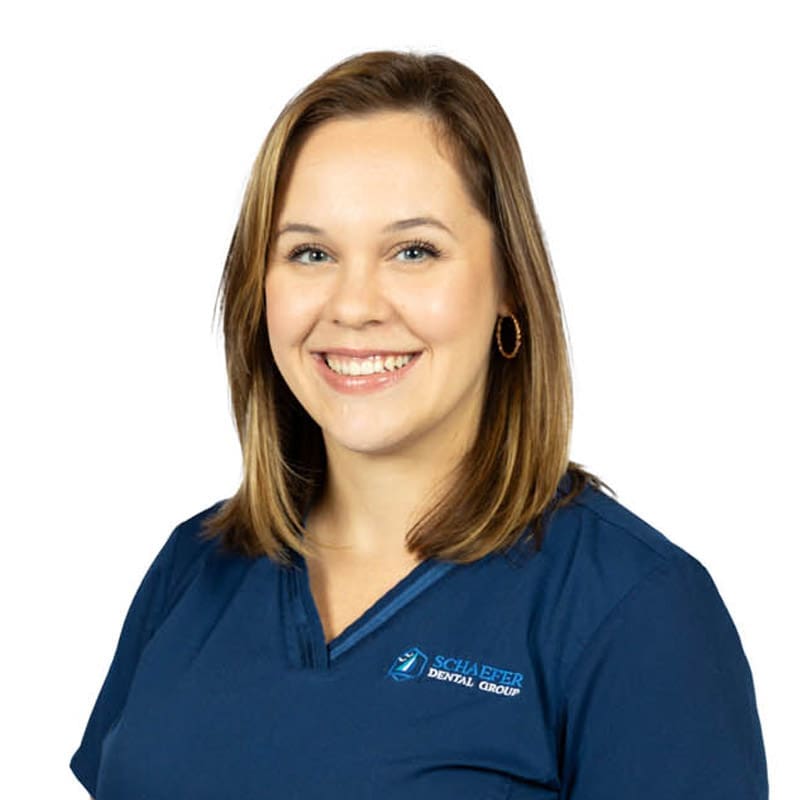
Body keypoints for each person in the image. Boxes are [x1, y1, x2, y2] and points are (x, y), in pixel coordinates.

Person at [69, 49, 769, 799]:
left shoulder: (640, 613)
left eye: (413, 251)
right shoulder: (193, 569)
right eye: (310, 252)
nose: (354, 304)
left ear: (510, 287)